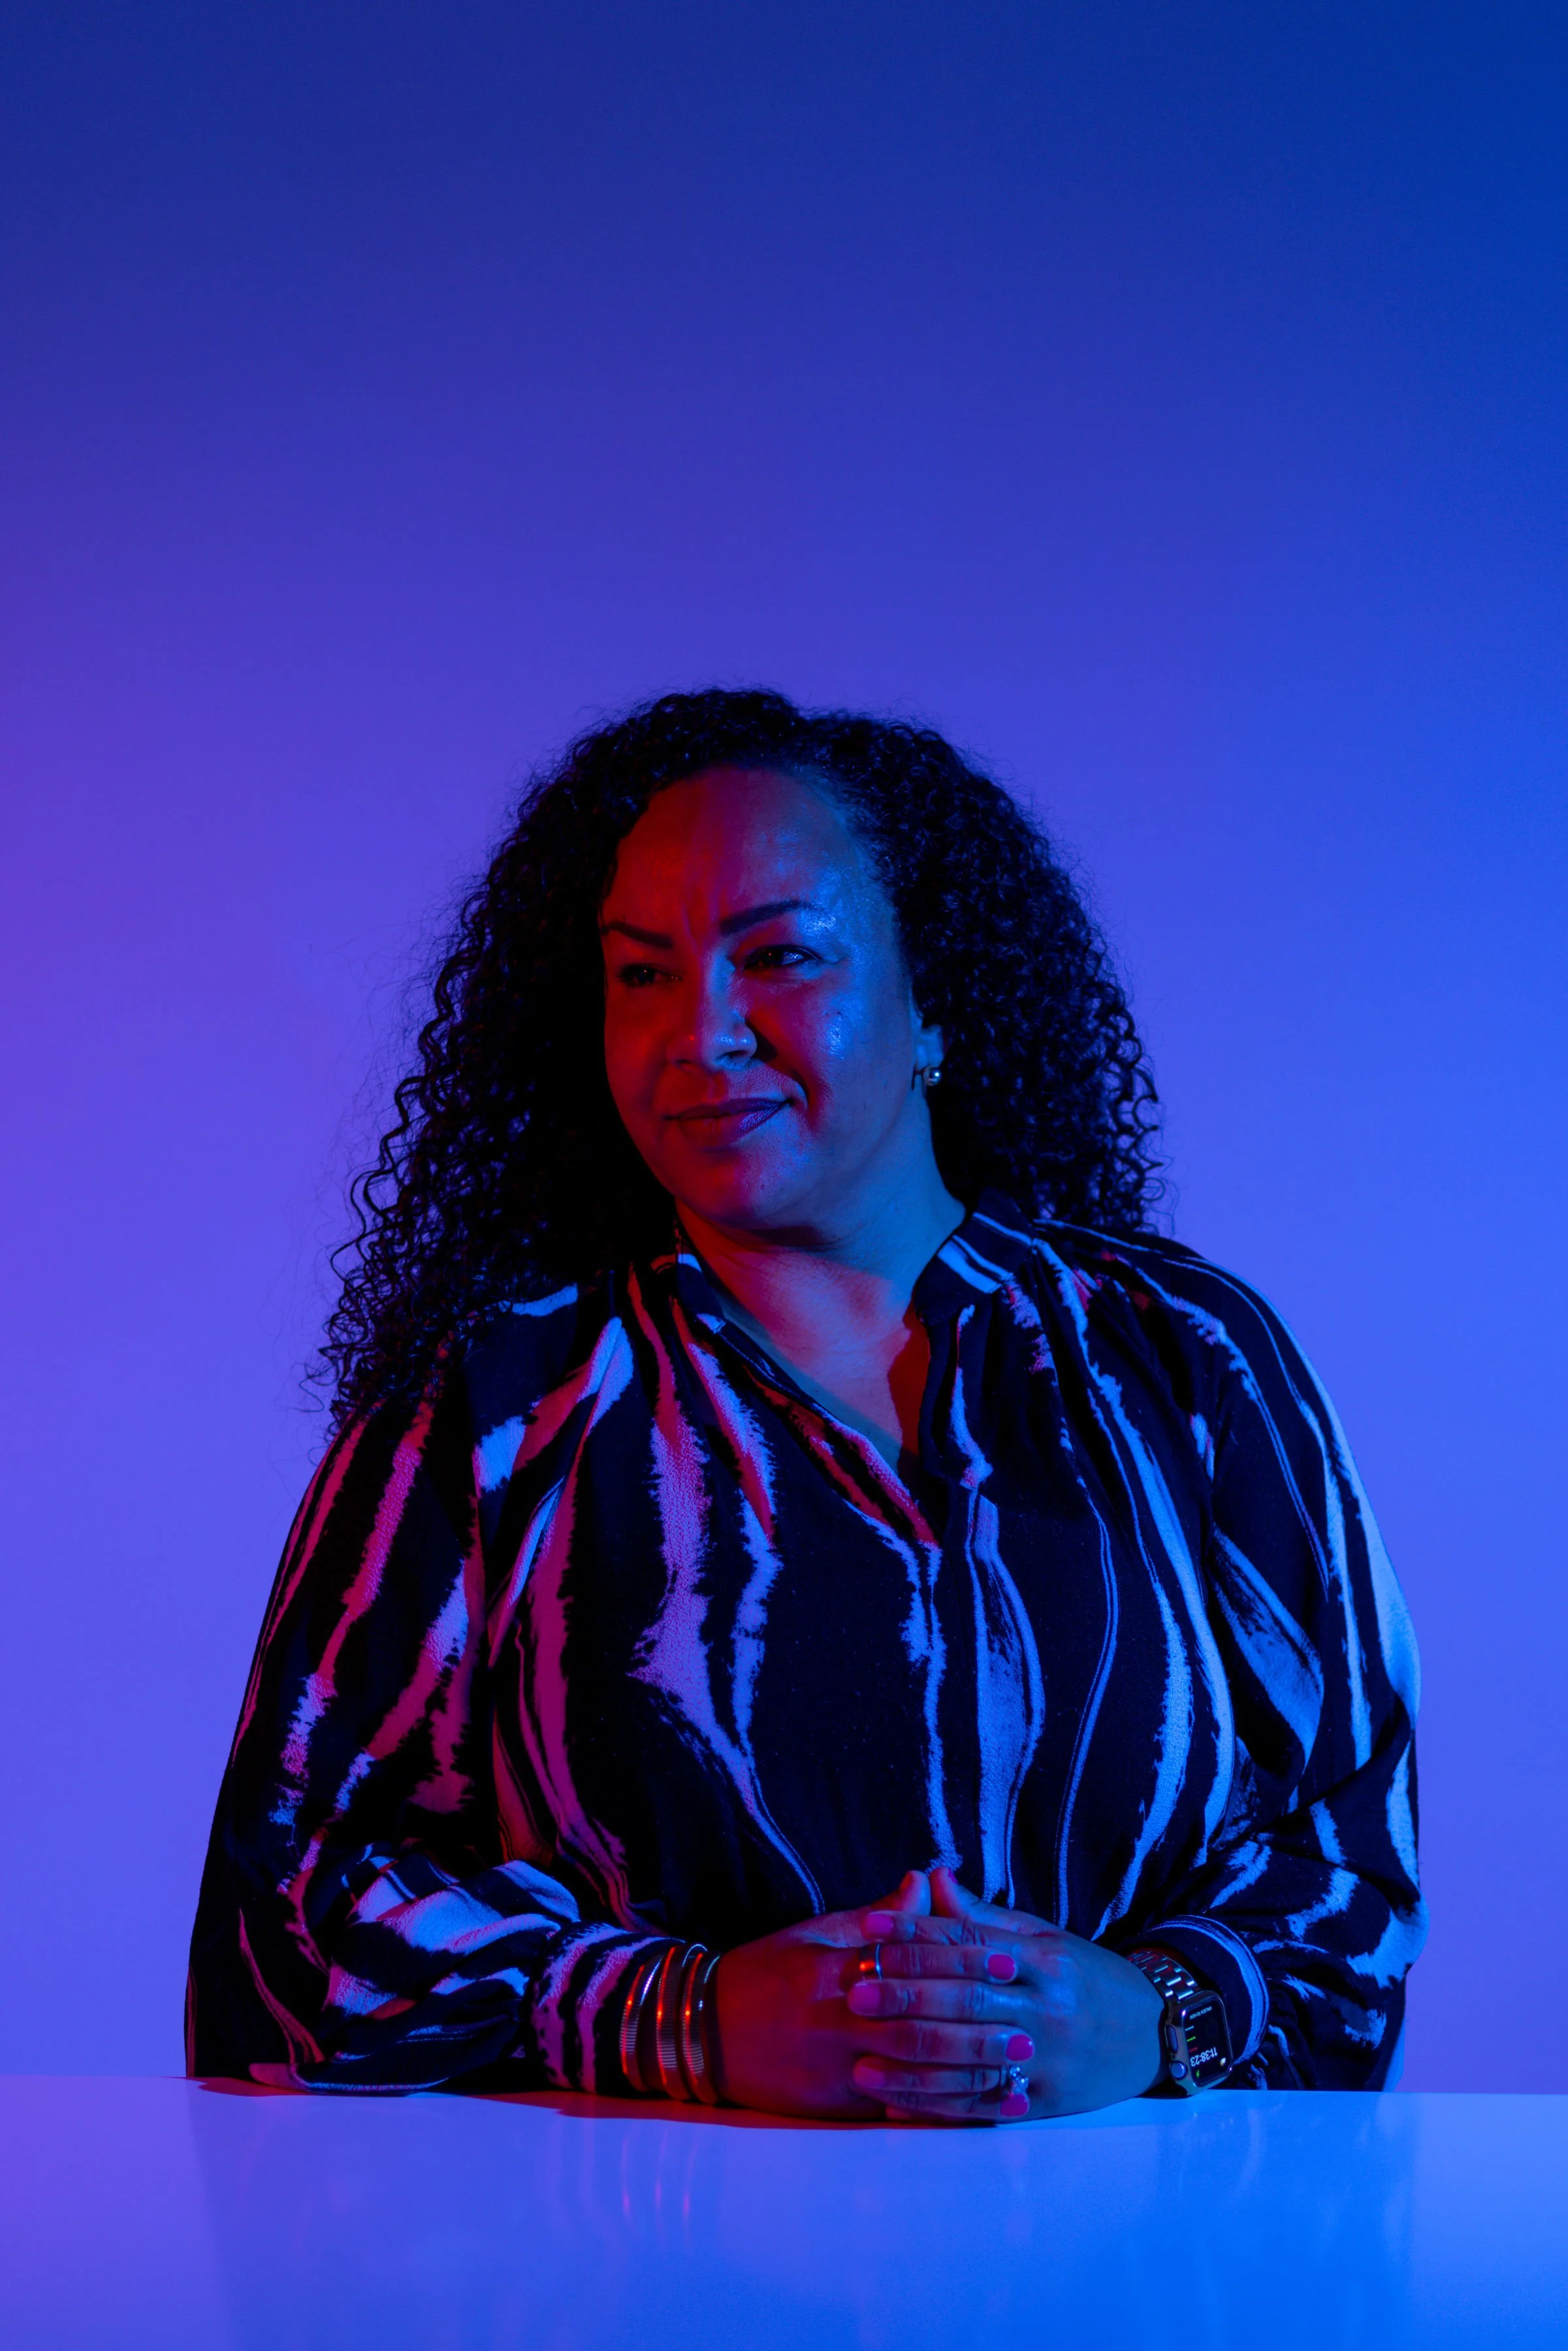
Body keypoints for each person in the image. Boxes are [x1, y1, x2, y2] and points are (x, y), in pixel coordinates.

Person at [187, 688, 1425, 2121]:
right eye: (640, 975)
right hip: (642, 2283)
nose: (701, 1032)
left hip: (1137, 2278)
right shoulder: (490, 1402)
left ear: (936, 1004)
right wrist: (678, 2021)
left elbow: (1349, 1853)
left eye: (779, 957)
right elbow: (293, 1893)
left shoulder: (1188, 1361)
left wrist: (1156, 2017)